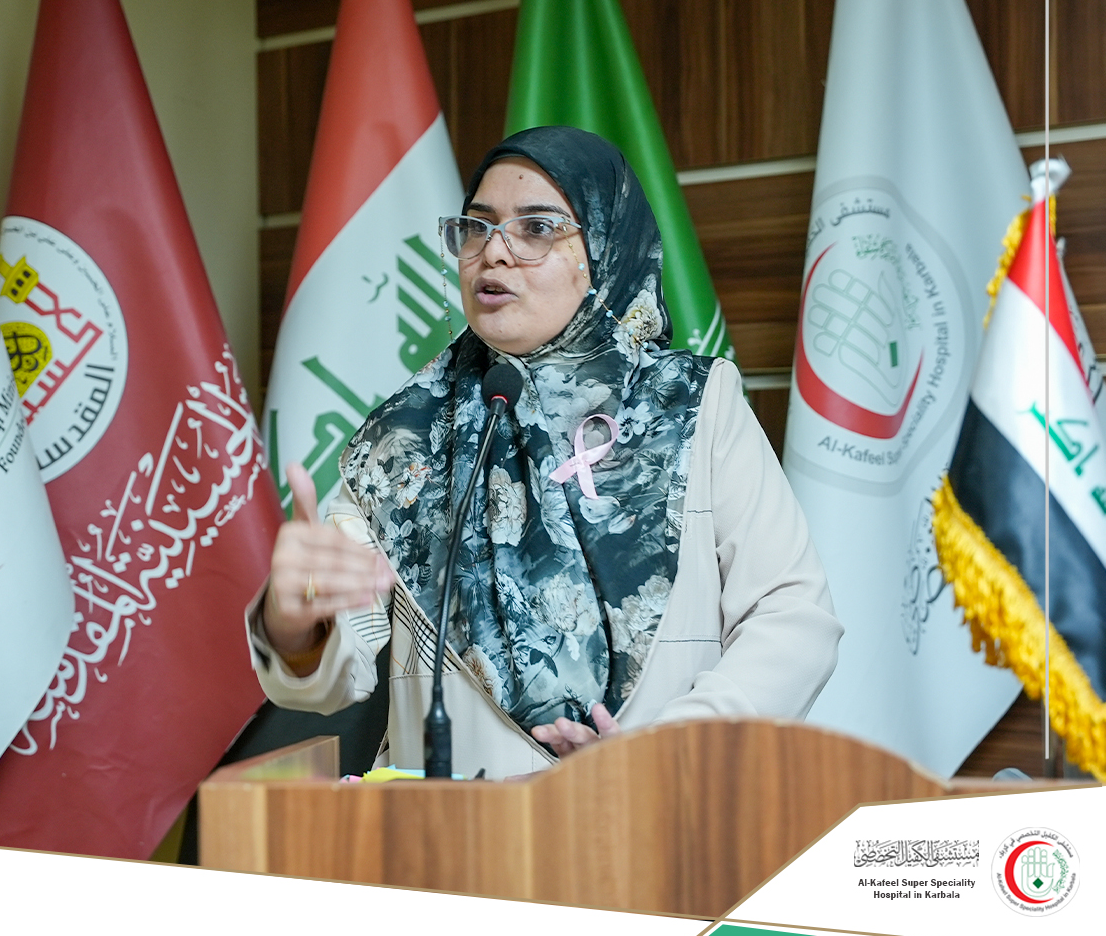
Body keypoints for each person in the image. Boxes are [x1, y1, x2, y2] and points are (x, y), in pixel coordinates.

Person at [248, 126, 841, 779]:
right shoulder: (403, 439)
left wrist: (664, 755)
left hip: (664, 808)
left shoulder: (693, 402)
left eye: (535, 229)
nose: (493, 254)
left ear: (606, 246)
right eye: (476, 228)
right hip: (455, 829)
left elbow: (793, 618)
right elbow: (336, 674)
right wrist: (294, 622)